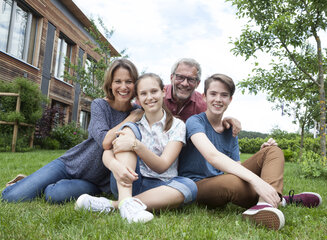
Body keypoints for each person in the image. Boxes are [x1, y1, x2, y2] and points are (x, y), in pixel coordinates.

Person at [178, 74, 322, 230]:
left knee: (272, 150)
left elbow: (237, 167)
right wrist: (257, 180)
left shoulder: (230, 130)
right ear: (204, 97)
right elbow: (212, 156)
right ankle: (282, 200)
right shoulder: (195, 122)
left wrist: (261, 159)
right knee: (232, 183)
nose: (218, 99)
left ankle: (265, 204)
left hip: (223, 180)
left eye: (224, 95)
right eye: (213, 94)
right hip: (197, 185)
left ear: (230, 100)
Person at [1, 58, 143, 204]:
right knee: (10, 197)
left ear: (135, 84)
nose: (123, 87)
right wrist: (132, 117)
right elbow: (106, 142)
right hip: (71, 164)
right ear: (110, 84)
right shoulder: (100, 105)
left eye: (129, 81)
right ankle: (27, 182)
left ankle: (40, 183)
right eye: (118, 81)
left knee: (53, 195)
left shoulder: (139, 112)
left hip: (97, 183)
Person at [75, 73, 197, 223]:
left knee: (190, 186)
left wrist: (136, 145)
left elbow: (163, 166)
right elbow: (108, 153)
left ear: (163, 91)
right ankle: (126, 200)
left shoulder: (177, 125)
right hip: (129, 181)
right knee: (128, 130)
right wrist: (115, 167)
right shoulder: (134, 124)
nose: (149, 97)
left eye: (154, 91)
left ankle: (115, 205)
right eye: (143, 93)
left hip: (162, 186)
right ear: (138, 98)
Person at [164, 58, 241, 137]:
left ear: (198, 83)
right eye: (180, 77)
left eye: (191, 79)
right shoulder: (156, 96)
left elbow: (214, 122)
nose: (185, 83)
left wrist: (226, 121)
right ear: (171, 78)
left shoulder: (203, 104)